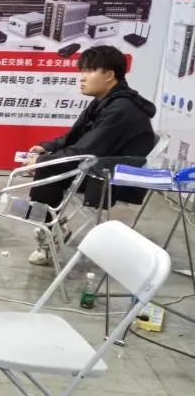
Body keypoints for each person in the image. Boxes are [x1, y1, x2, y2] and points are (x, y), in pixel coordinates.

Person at [26, 44, 156, 265]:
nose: (82, 77)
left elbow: (84, 151)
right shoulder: (105, 102)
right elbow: (75, 138)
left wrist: (42, 161)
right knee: (47, 166)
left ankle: (48, 232)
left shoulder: (120, 109)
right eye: (82, 71)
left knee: (47, 171)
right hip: (98, 167)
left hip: (110, 178)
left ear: (109, 75)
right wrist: (47, 148)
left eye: (89, 71)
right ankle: (49, 226)